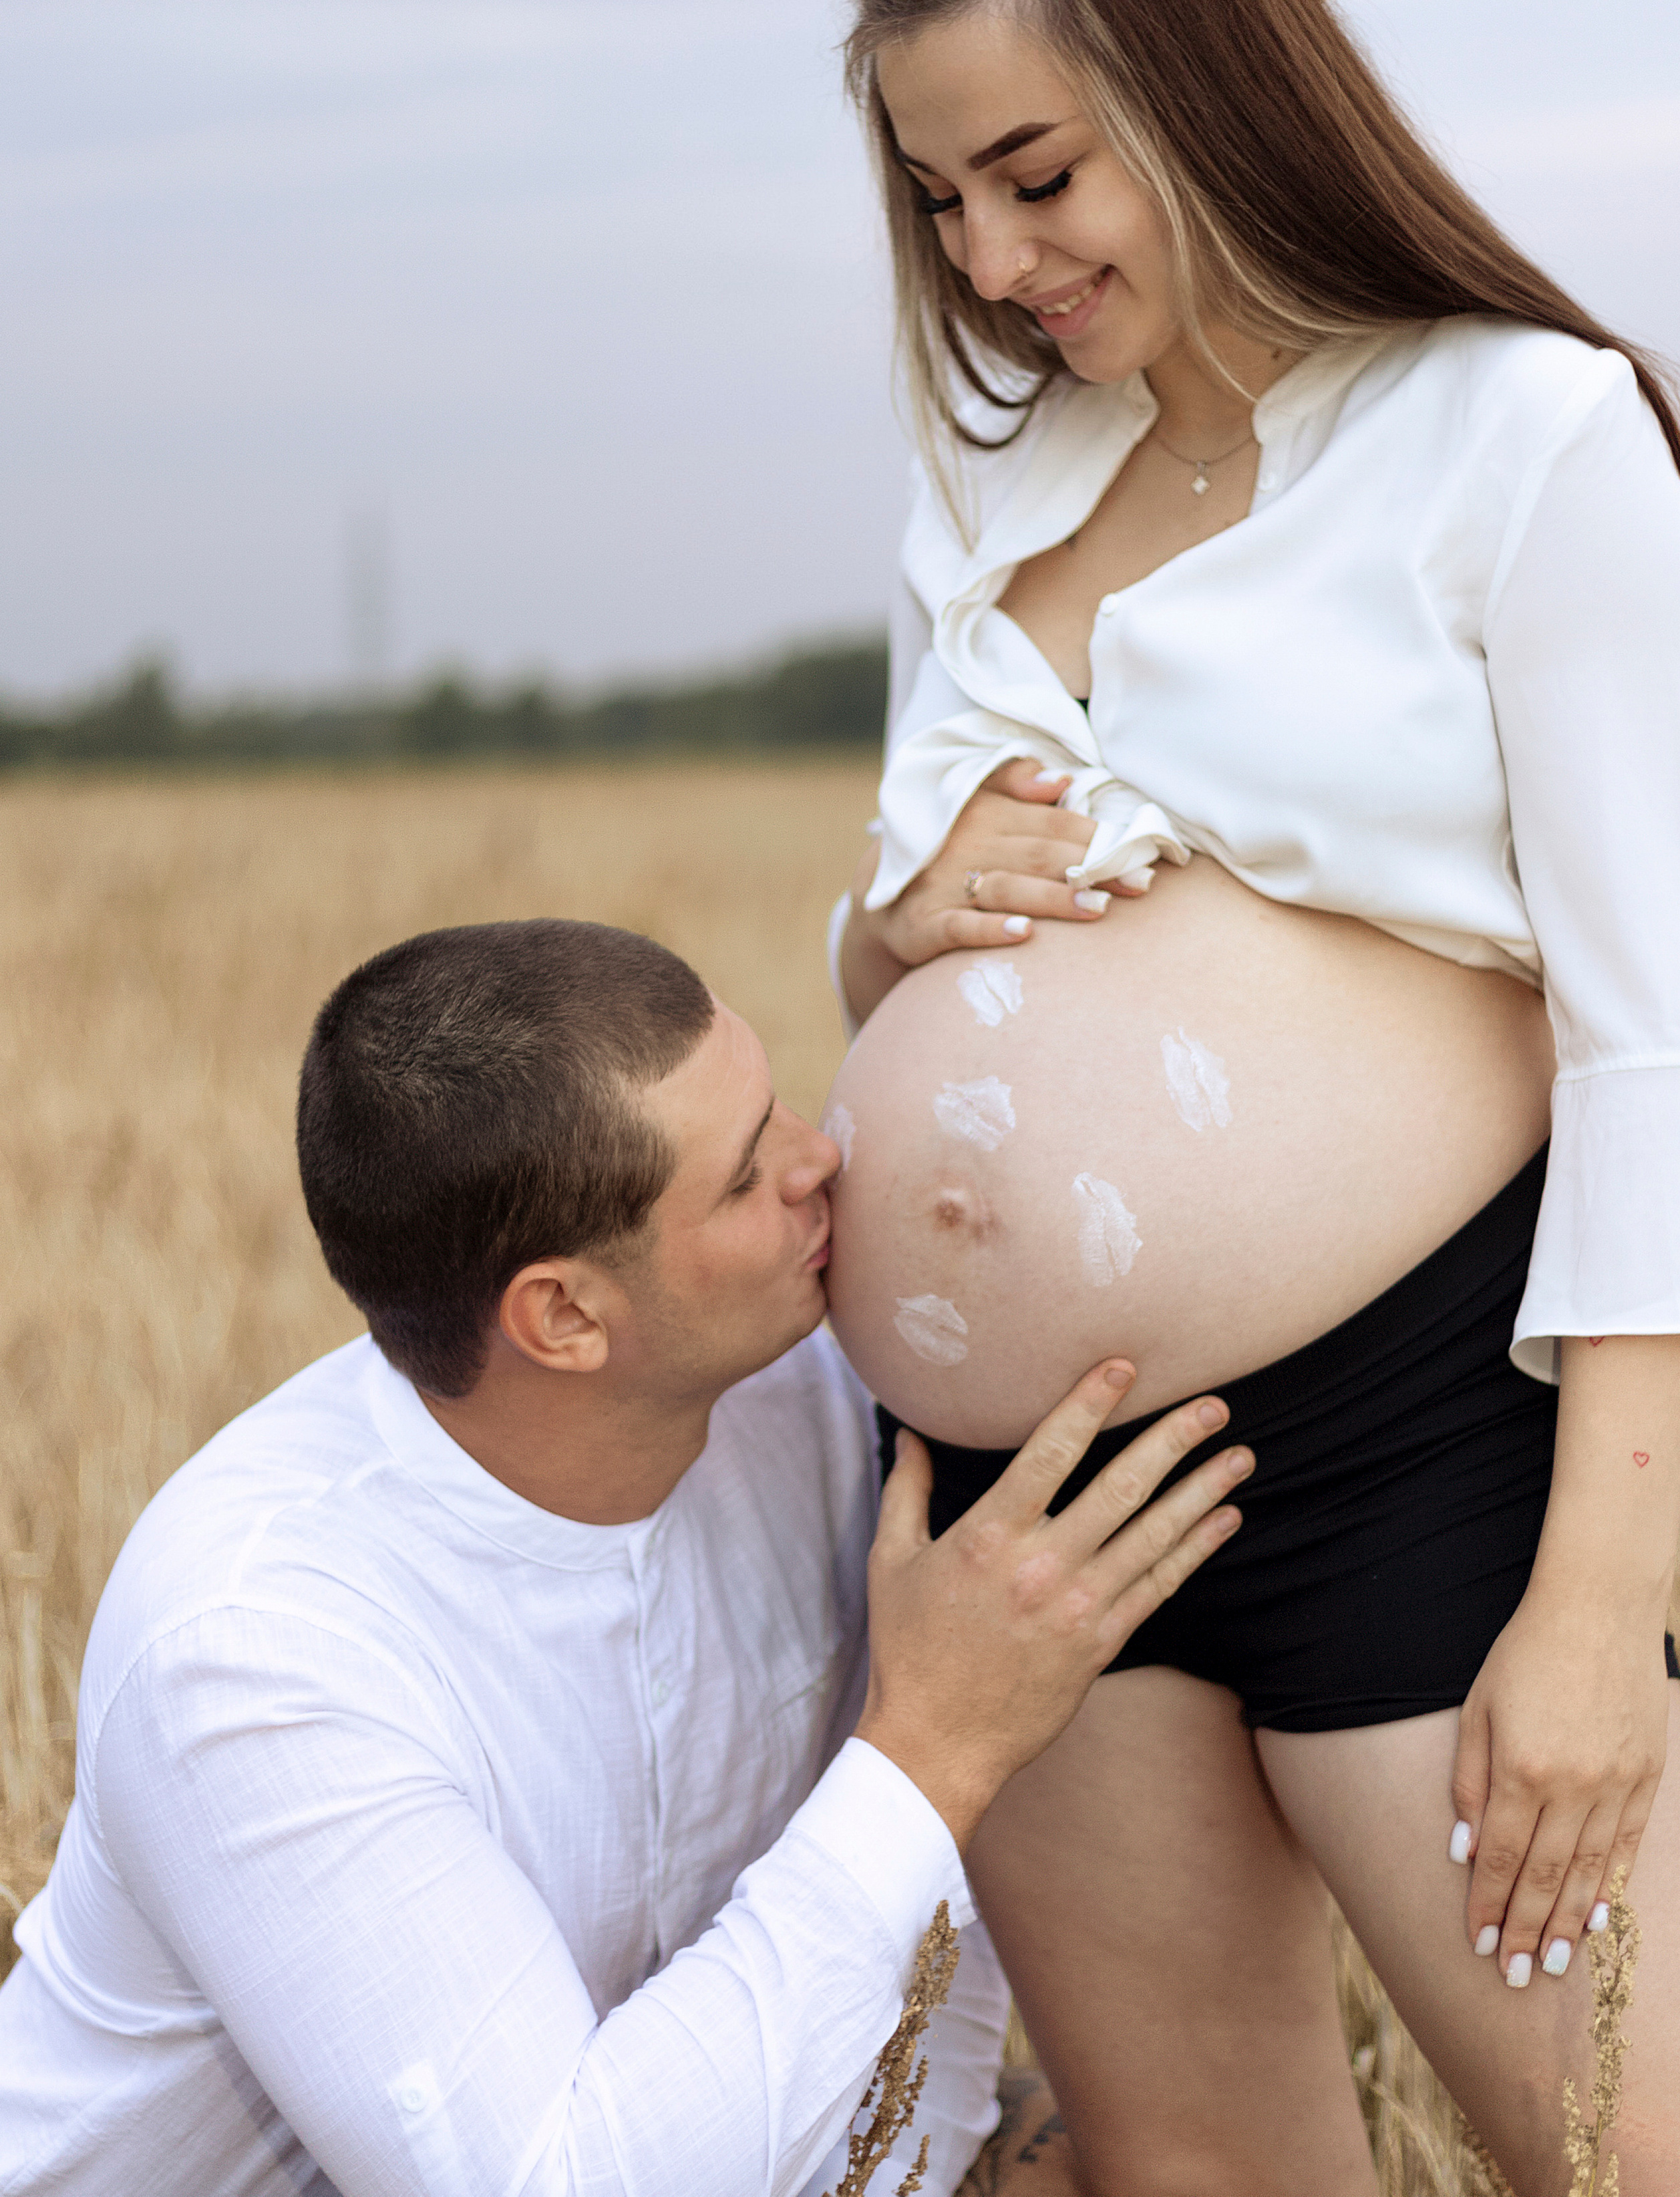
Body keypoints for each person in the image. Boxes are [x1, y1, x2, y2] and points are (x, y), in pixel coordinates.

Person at [820, 0, 1680, 2194]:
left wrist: (1595, 1607)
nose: (990, 258)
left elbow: (1667, 1040)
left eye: (1038, 175)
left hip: (1411, 1440)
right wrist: (893, 932)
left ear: (1210, 91)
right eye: (939, 199)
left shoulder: (1520, 433)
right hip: (1034, 1502)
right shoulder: (992, 492)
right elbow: (893, 962)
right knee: (1196, 2172)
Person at [0, 916, 1249, 2197]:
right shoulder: (254, 1653)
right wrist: (934, 1748)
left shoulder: (822, 1396)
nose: (821, 1158)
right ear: (564, 1316)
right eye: (746, 1177)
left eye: (779, 1106)